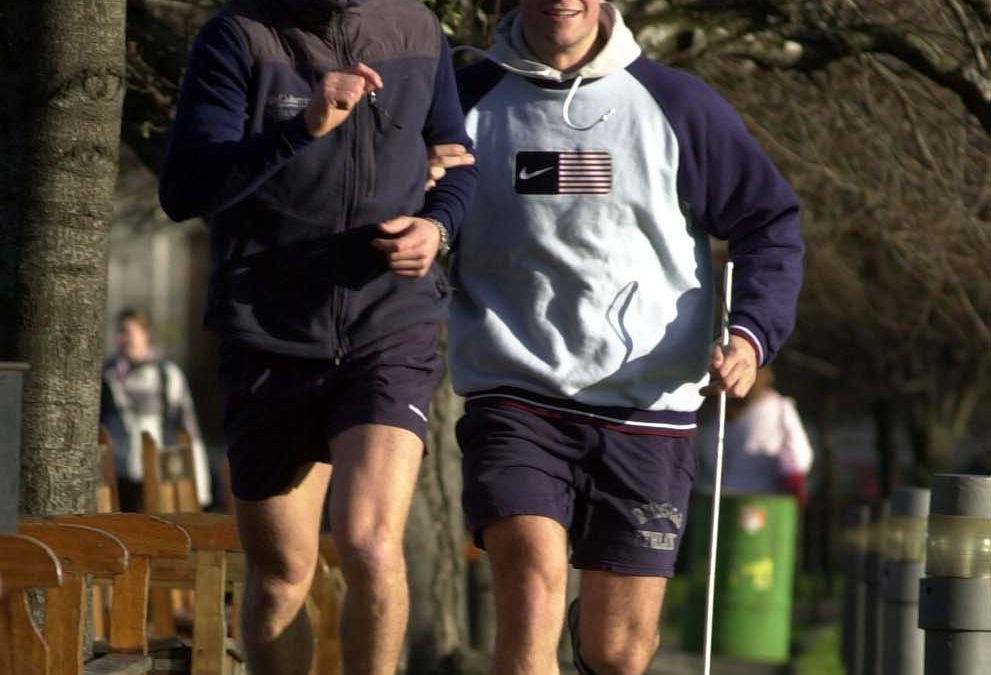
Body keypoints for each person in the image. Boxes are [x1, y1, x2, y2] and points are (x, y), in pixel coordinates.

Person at [448, 2, 804, 674]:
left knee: (617, 654)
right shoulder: (462, 100)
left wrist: (751, 333)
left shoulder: (676, 104)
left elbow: (769, 221)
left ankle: (594, 638)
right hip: (515, 394)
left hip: (648, 409)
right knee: (529, 585)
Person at [157, 0, 477, 673]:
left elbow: (459, 162)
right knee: (279, 578)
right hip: (267, 331)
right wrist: (301, 126)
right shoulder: (240, 35)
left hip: (387, 322)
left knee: (367, 542)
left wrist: (437, 228)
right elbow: (186, 189)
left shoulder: (416, 28)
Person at [100, 308, 213, 510]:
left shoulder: (166, 375)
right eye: (119, 332)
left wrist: (199, 490)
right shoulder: (106, 374)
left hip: (155, 476)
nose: (122, 338)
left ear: (146, 333)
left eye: (127, 331)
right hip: (114, 478)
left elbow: (187, 433)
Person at [697, 367, 814, 505]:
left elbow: (712, 455)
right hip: (762, 497)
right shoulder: (780, 408)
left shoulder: (726, 410)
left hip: (740, 494)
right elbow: (800, 453)